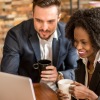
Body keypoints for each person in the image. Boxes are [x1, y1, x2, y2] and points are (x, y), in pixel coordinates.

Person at [1, 0, 78, 91]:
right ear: (33, 15)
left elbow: (76, 70)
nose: (44, 28)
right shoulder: (15, 35)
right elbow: (9, 76)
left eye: (50, 21)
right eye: (39, 20)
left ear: (59, 18)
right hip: (28, 91)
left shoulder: (68, 33)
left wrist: (59, 75)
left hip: (59, 91)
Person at [57, 7, 100, 99]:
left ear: (97, 40)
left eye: (84, 42)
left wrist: (90, 96)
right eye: (76, 41)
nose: (78, 47)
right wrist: (67, 96)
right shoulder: (82, 62)